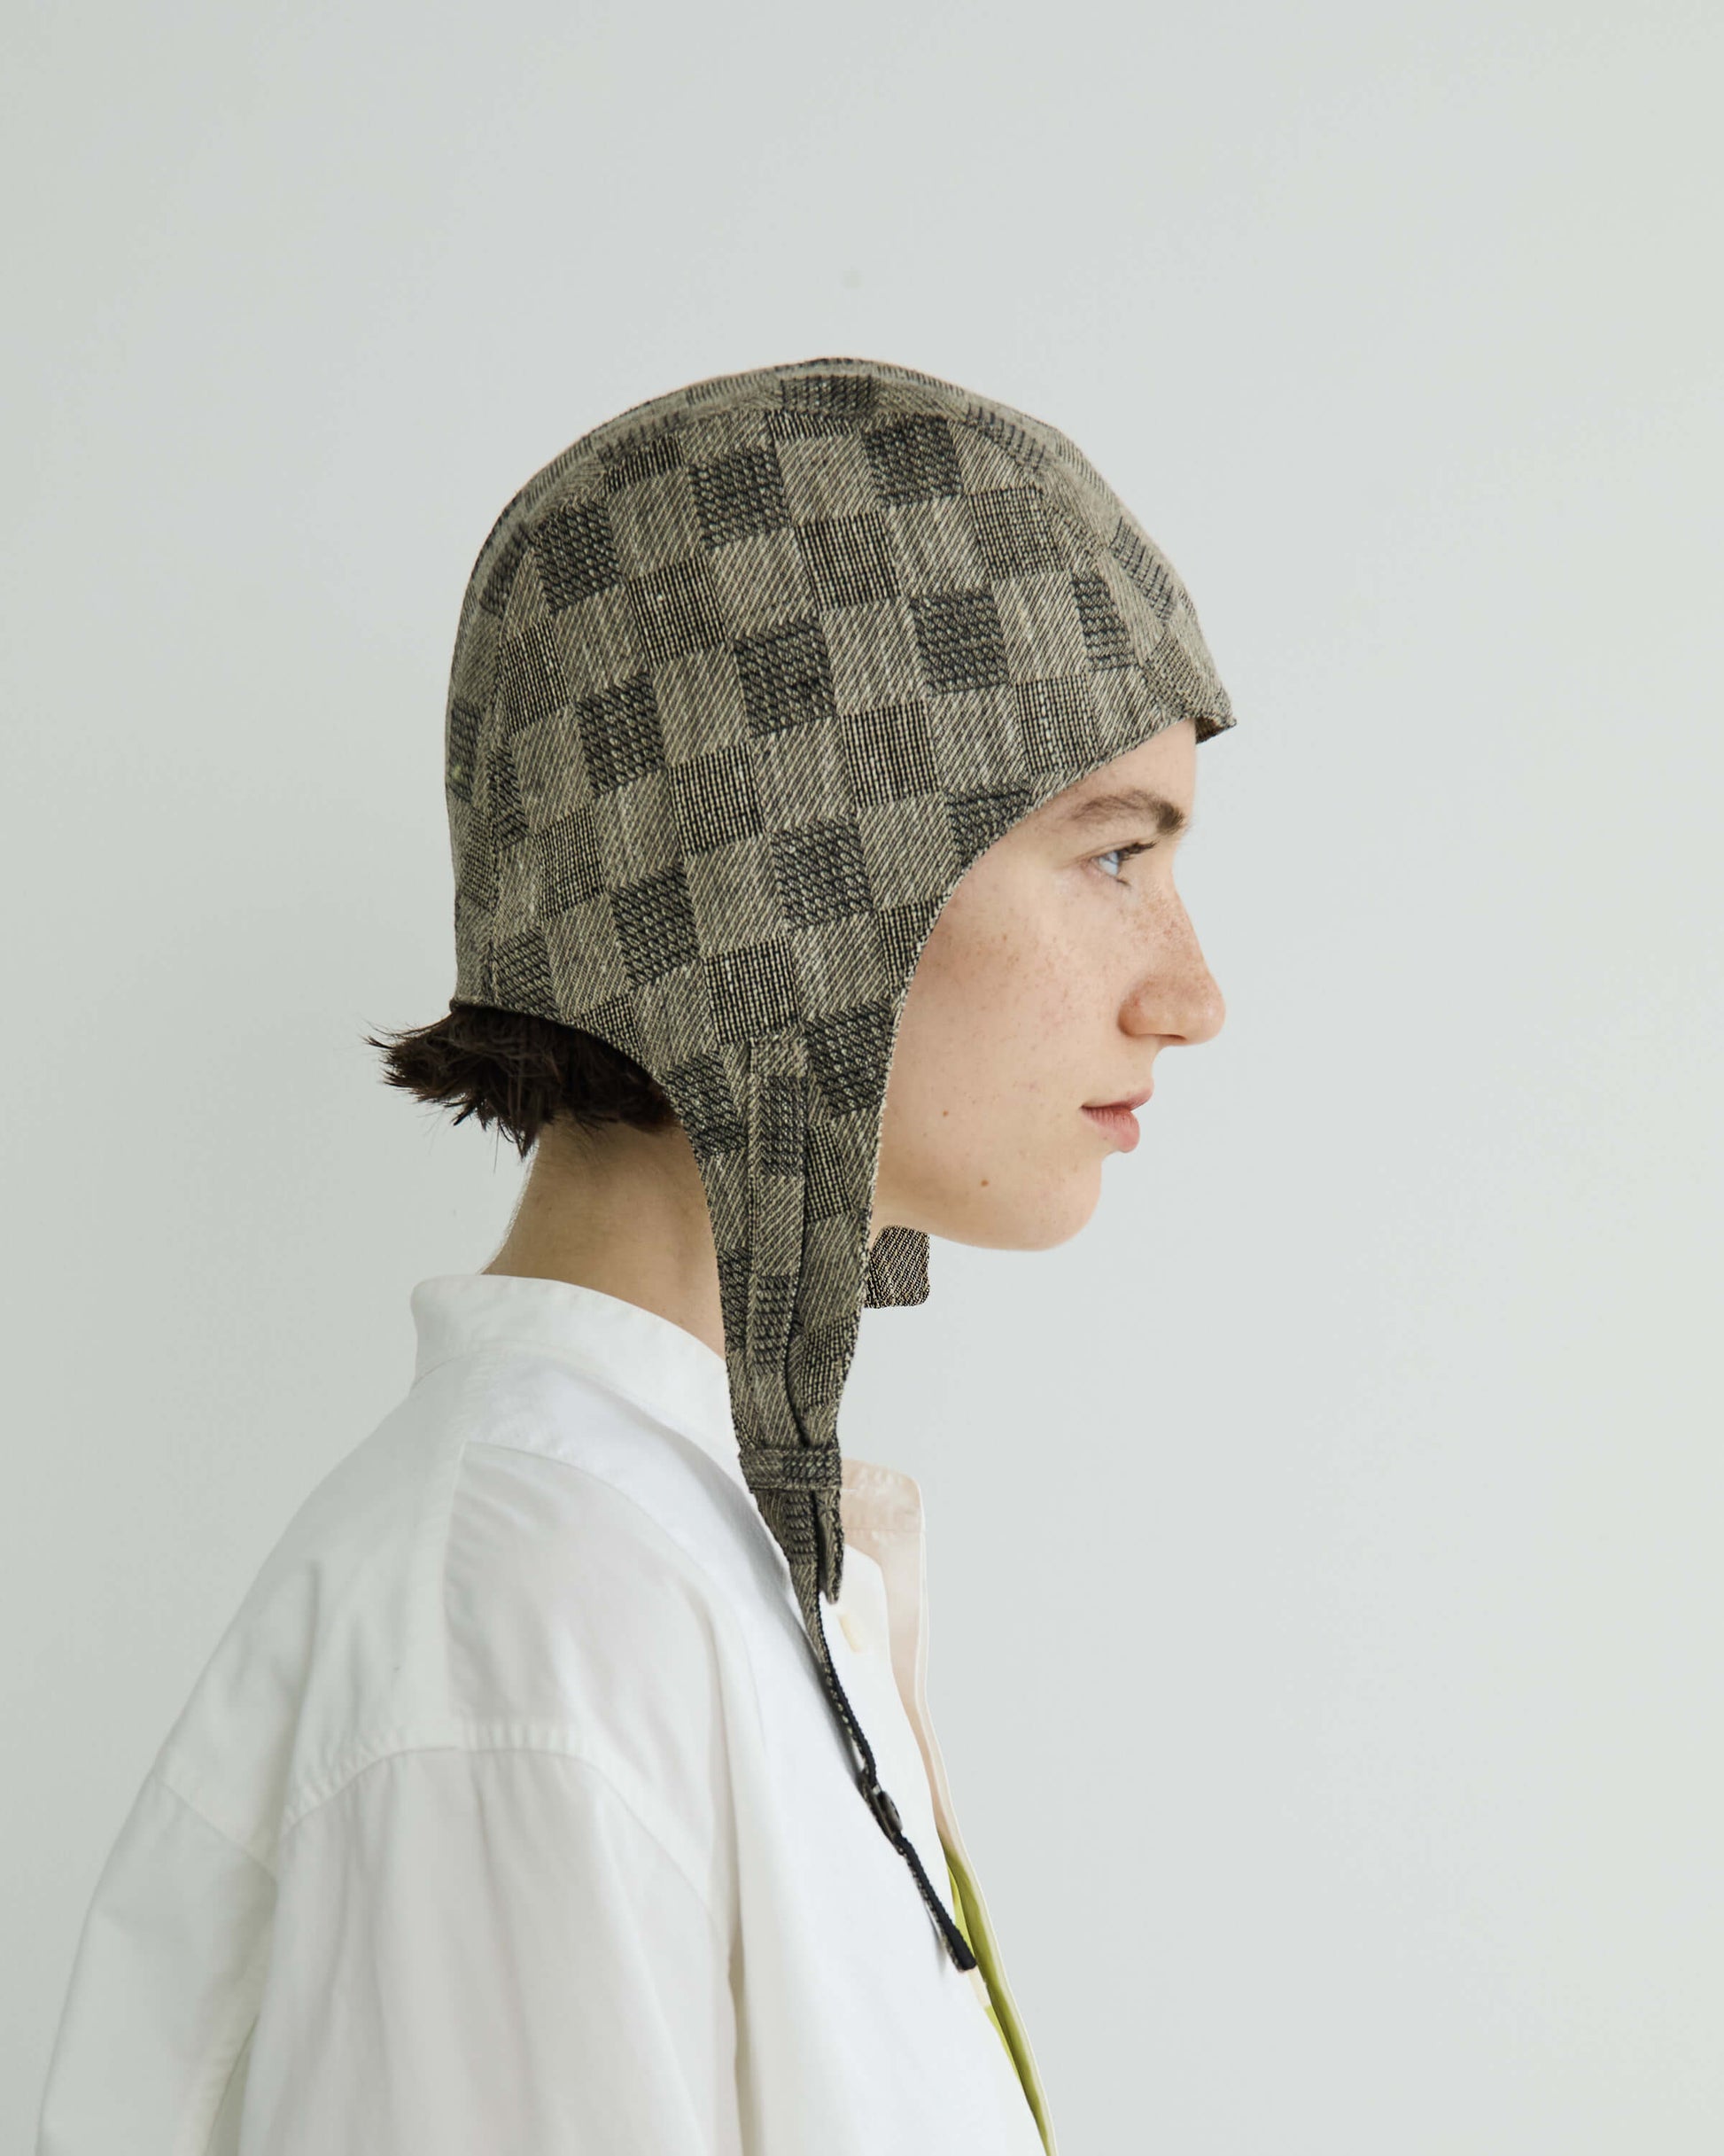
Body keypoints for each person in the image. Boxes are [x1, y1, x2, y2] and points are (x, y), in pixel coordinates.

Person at [35, 355, 1234, 2155]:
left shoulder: (675, 1555)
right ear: (795, 889)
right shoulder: (530, 1620)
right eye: (1115, 856)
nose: (1190, 995)